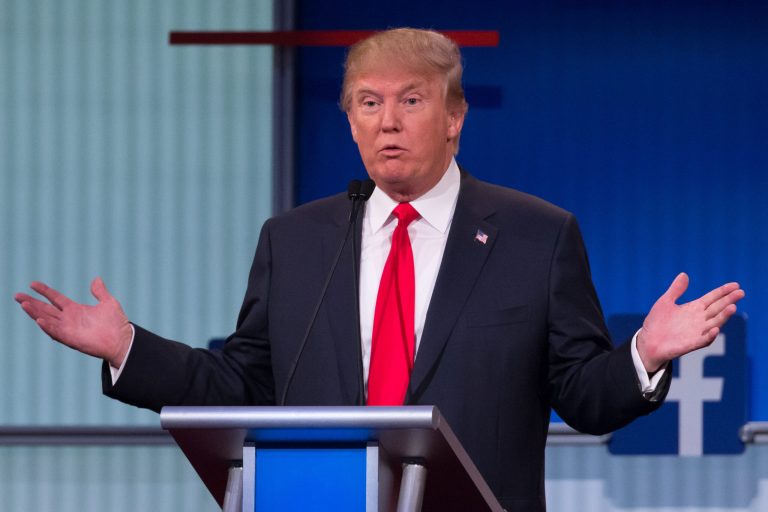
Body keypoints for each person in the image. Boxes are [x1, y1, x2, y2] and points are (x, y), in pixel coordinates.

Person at [15, 28, 744, 511]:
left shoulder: (536, 236)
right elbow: (245, 382)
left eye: (410, 101)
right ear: (350, 118)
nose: (386, 121)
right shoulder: (296, 240)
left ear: (454, 117)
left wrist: (645, 355)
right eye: (368, 104)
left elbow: (583, 396)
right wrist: (128, 349)